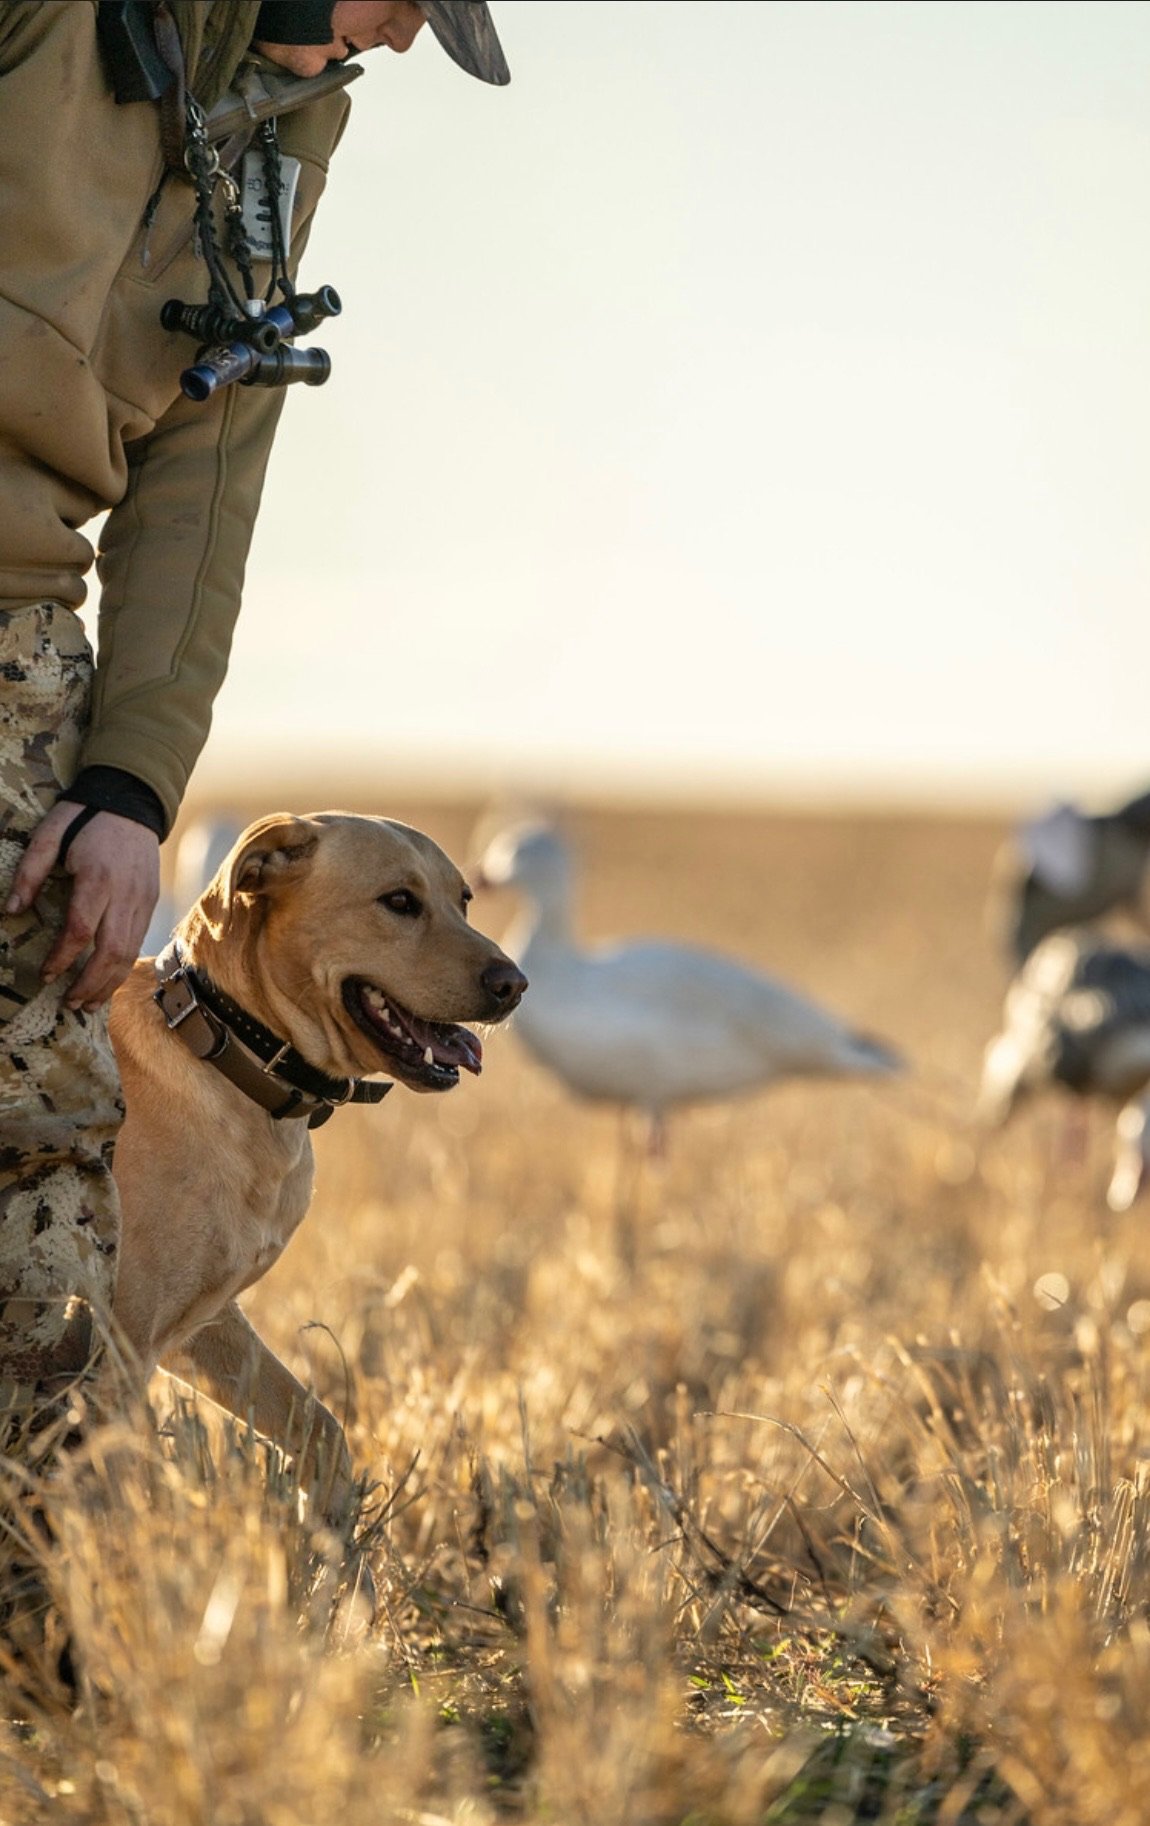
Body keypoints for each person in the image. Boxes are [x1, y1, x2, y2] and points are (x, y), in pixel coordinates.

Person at [0, 2, 509, 1465]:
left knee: (41, 1130)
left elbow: (205, 486)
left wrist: (125, 784)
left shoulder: (280, 138)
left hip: (27, 621)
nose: (404, 41)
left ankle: (64, 1631)